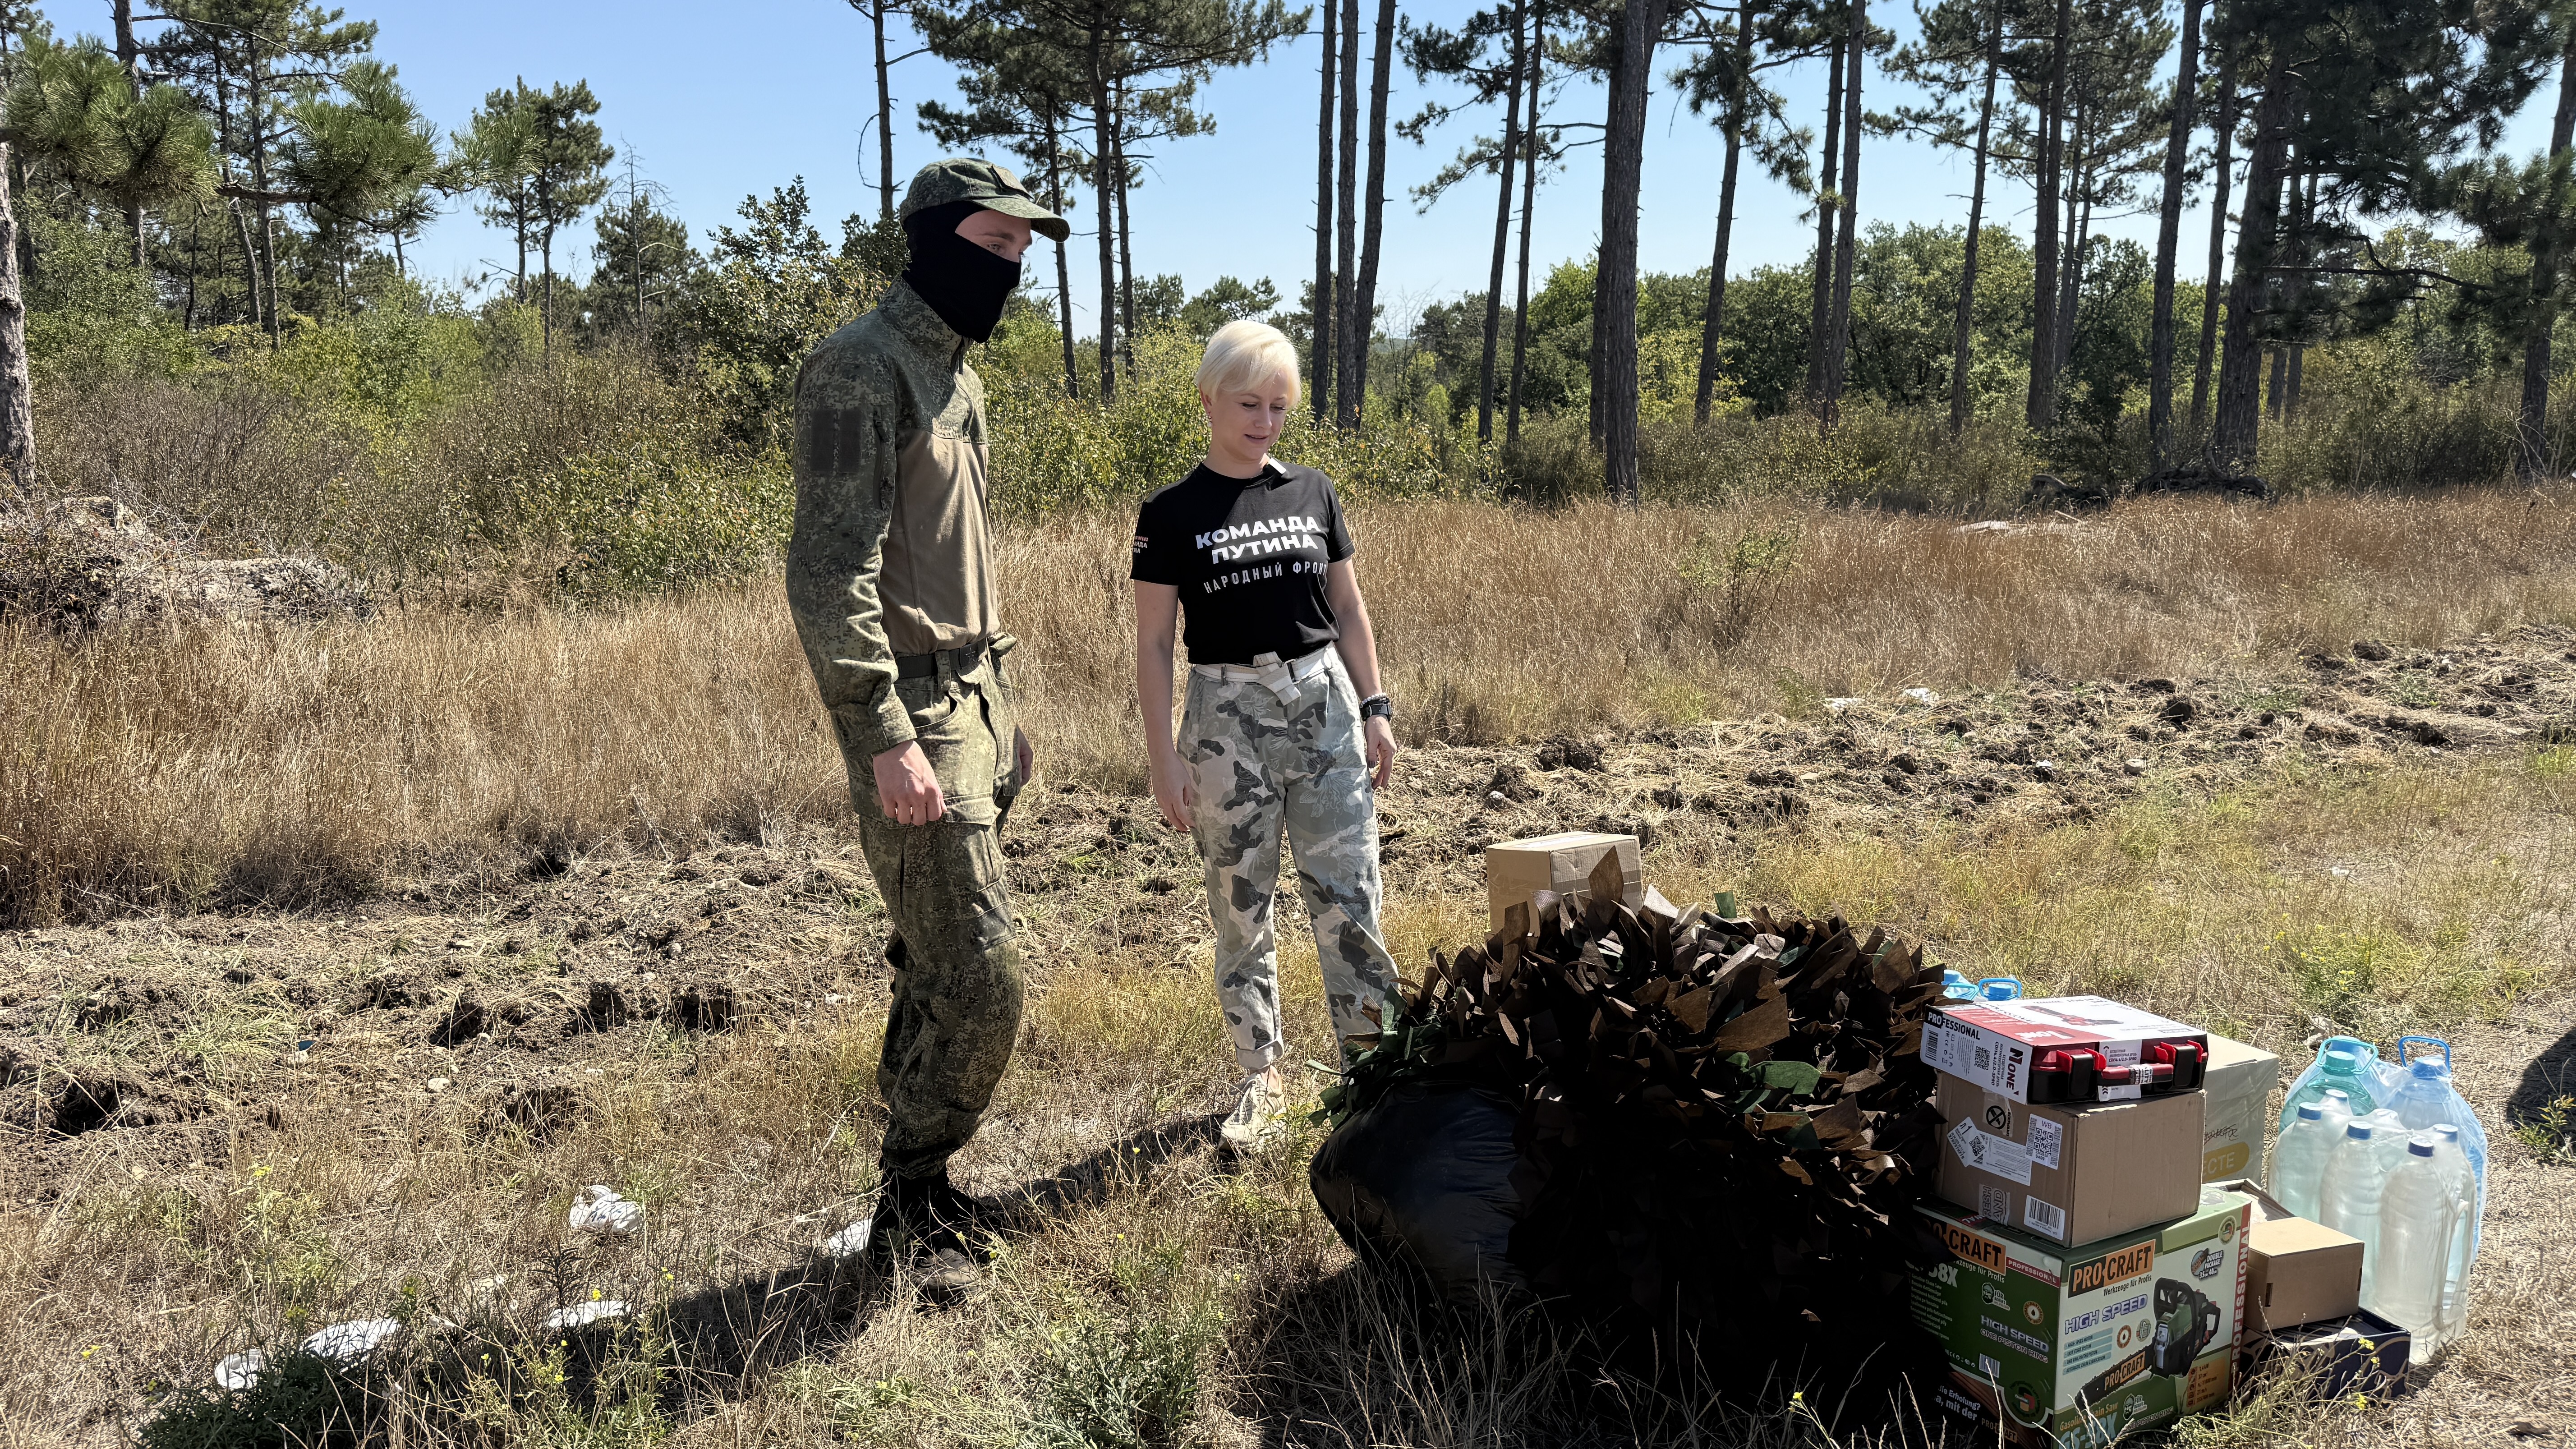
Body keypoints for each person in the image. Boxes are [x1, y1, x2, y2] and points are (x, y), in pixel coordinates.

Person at [784, 158, 1065, 1299]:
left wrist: (1003, 703)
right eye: (998, 247)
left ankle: (914, 1200)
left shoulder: (961, 377)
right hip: (910, 709)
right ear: (941, 238)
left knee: (931, 963)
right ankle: (913, 1175)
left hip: (975, 701)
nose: (1015, 269)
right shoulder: (861, 367)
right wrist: (883, 734)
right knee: (986, 978)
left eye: (1023, 253)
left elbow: (959, 554)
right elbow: (827, 569)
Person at [1130, 319, 1404, 1150]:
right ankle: (1263, 1077)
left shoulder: (1313, 491)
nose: (1264, 420)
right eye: (1248, 402)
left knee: (1349, 892)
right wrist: (1163, 757)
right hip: (1226, 719)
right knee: (1241, 905)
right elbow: (1150, 643)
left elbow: (1349, 610)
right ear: (1210, 399)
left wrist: (1377, 705)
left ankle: (1378, 1070)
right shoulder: (1171, 512)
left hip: (1320, 706)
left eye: (1279, 405)